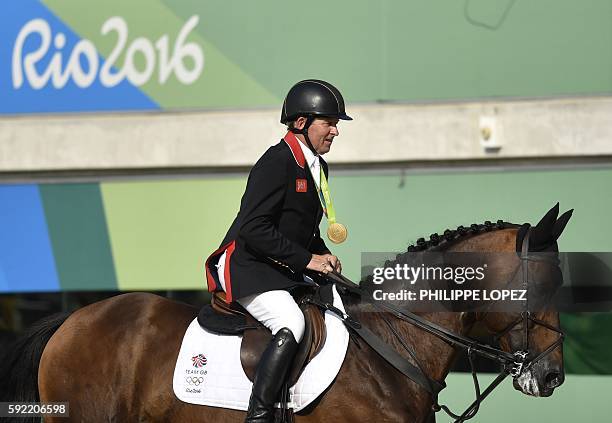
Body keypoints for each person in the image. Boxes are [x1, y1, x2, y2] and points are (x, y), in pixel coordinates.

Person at [204, 79, 352, 422]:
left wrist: (322, 252)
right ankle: (259, 414)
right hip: (250, 267)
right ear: (301, 122)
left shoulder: (317, 166)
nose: (335, 131)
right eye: (329, 123)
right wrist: (307, 260)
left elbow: (298, 227)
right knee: (292, 322)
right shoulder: (276, 161)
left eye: (336, 124)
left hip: (281, 268)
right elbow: (254, 228)